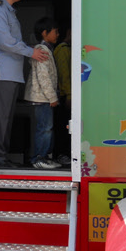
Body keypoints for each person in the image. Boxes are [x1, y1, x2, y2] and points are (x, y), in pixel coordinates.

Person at [0, 0, 49, 168]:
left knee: (5, 118)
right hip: (1, 74)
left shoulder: (7, 11)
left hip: (10, 74)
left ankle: (0, 156)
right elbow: (5, 42)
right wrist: (31, 52)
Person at [24, 17, 62, 170]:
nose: (58, 34)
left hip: (44, 97)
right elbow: (43, 76)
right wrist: (52, 97)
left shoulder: (46, 49)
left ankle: (45, 157)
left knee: (47, 127)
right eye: (55, 31)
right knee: (45, 128)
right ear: (45, 33)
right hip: (43, 97)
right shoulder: (43, 50)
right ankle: (39, 158)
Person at [53, 27, 72, 166]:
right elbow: (64, 75)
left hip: (67, 94)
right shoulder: (63, 50)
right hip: (65, 95)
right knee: (64, 127)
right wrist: (69, 94)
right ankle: (61, 155)